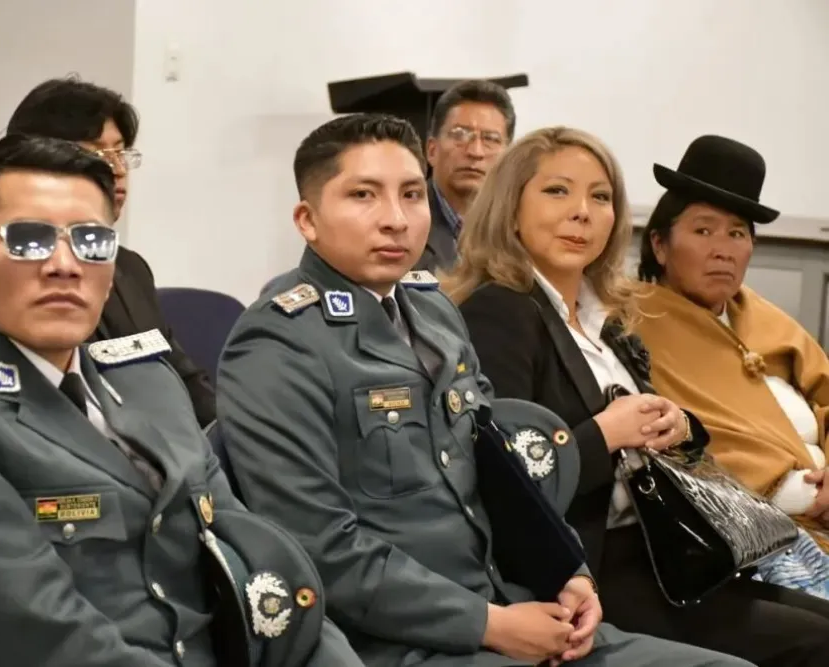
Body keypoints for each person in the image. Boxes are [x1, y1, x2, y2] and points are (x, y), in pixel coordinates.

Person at [215, 113, 752, 667]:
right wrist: (488, 625)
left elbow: (497, 466)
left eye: (412, 195)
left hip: (511, 603)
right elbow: (318, 547)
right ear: (307, 219)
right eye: (363, 196)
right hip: (398, 642)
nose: (396, 220)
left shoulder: (432, 311)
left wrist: (567, 573)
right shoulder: (277, 343)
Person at [0, 134, 360, 667]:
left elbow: (257, 565)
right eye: (29, 240)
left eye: (92, 241)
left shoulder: (149, 384)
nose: (65, 265)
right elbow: (46, 635)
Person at [442, 125, 829, 666]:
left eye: (600, 197)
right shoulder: (500, 310)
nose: (582, 211)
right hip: (588, 566)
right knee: (815, 643)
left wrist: (676, 422)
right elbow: (502, 476)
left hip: (668, 548)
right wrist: (607, 434)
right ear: (510, 209)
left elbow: (676, 431)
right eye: (557, 191)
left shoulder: (608, 318)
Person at [633, 135, 829, 590]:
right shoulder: (635, 321)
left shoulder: (759, 313)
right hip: (763, 536)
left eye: (737, 233)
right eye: (703, 231)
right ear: (660, 245)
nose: (723, 248)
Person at [5, 76, 216, 426]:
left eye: (120, 152)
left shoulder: (129, 267)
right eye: (96, 154)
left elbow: (184, 380)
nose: (117, 170)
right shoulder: (17, 262)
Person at [415, 79, 516, 274]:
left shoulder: (519, 227)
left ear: (509, 156)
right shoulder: (404, 221)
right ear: (432, 150)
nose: (475, 151)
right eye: (460, 134)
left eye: (490, 139)